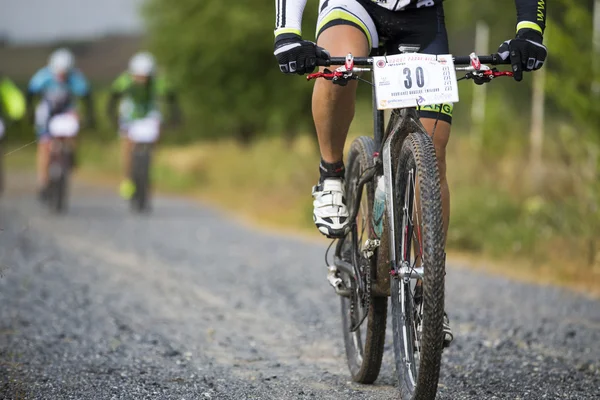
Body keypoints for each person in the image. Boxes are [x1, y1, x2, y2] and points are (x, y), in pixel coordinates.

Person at [273, 0, 548, 346]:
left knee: (432, 152)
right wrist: (287, 32)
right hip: (353, 6)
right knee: (334, 72)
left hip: (421, 16)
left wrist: (529, 31)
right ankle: (331, 173)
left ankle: (426, 293)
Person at [106, 51, 180, 200]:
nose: (142, 79)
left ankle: (148, 163)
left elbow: (172, 98)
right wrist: (112, 117)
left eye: (145, 76)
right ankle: (127, 178)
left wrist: (175, 118)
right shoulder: (124, 81)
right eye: (138, 76)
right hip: (130, 114)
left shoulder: (158, 82)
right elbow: (113, 99)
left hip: (149, 114)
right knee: (128, 143)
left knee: (157, 130)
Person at [26, 48, 95, 201]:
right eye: (59, 71)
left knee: (75, 123)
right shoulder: (43, 76)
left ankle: (71, 154)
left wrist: (90, 117)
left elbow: (86, 96)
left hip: (67, 110)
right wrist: (30, 113)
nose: (62, 75)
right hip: (47, 111)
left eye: (65, 72)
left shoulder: (75, 77)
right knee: (44, 146)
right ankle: (43, 182)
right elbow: (30, 94)